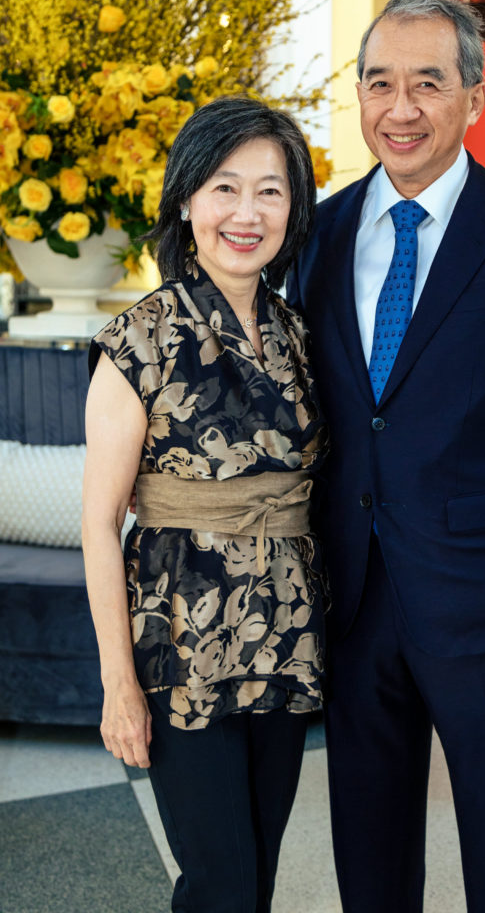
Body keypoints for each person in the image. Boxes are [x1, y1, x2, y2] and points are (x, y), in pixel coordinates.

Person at [287, 0, 485, 912]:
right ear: (355, 96)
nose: (400, 108)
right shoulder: (321, 231)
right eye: (379, 83)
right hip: (353, 598)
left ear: (474, 96)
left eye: (426, 83)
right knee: (370, 851)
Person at [82, 96, 328, 913]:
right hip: (180, 644)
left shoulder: (299, 334)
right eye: (226, 188)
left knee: (255, 874)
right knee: (218, 882)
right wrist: (119, 683)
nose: (246, 213)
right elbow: (97, 522)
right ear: (186, 199)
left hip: (286, 638)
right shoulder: (139, 340)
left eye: (270, 190)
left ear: (293, 210)